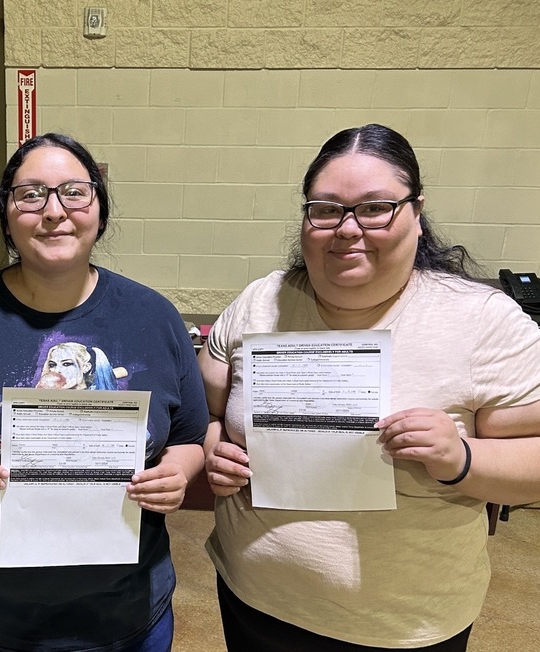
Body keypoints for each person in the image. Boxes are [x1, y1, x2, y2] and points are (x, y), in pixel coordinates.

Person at [200, 123, 540, 651]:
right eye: (327, 209)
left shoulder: (480, 321)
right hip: (255, 599)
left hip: (400, 626)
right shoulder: (261, 302)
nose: (348, 228)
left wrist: (461, 458)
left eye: (376, 207)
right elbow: (212, 413)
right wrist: (214, 450)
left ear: (417, 213)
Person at [0, 132, 208, 651]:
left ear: (100, 210)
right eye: (31, 194)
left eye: (75, 192)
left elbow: (191, 438)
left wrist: (178, 473)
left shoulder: (153, 318)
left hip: (122, 612)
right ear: (8, 215)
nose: (54, 211)